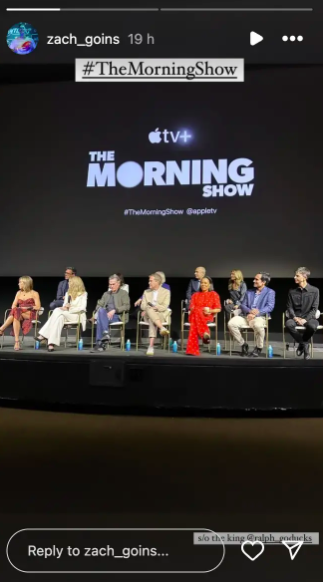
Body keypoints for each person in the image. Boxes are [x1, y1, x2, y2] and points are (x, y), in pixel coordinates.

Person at [228, 272, 275, 357]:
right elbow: (242, 305)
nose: (254, 281)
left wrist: (256, 313)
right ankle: (243, 344)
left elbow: (270, 306)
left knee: (258, 325)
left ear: (263, 282)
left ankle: (258, 347)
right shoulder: (249, 292)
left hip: (259, 316)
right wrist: (250, 311)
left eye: (256, 279)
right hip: (246, 316)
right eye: (254, 279)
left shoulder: (270, 292)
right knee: (231, 323)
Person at [37, 276, 87, 352]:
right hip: (66, 314)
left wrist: (70, 308)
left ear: (75, 284)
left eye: (70, 282)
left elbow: (82, 308)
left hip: (77, 315)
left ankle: (43, 335)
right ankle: (51, 344)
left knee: (57, 311)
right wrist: (65, 307)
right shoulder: (68, 293)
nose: (68, 284)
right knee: (59, 316)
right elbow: (65, 306)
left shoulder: (83, 294)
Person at [285, 267, 320, 360]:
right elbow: (289, 307)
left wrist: (305, 319)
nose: (294, 277)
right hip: (295, 317)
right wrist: (295, 317)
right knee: (289, 324)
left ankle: (302, 344)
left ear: (304, 277)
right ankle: (304, 345)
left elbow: (314, 308)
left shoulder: (314, 290)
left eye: (297, 276)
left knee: (312, 326)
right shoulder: (292, 291)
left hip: (309, 318)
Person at [0, 276, 41, 351]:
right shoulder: (18, 293)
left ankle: (1, 329)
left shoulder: (34, 293)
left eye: (20, 282)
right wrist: (18, 309)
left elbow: (38, 307)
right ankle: (16, 341)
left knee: (16, 312)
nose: (18, 284)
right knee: (16, 313)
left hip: (31, 314)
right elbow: (13, 305)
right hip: (19, 313)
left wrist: (25, 308)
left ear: (25, 283)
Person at [93, 274, 130, 352]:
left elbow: (127, 306)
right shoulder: (106, 294)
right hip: (105, 315)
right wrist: (98, 308)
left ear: (118, 283)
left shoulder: (123, 293)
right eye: (110, 284)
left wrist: (115, 310)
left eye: (113, 284)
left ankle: (99, 343)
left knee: (100, 320)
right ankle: (105, 334)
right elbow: (99, 305)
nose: (111, 286)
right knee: (101, 312)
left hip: (117, 316)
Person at [186, 276, 221, 356]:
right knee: (196, 311)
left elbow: (218, 309)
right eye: (202, 283)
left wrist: (210, 310)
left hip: (207, 316)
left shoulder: (214, 294)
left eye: (205, 283)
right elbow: (191, 308)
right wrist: (199, 309)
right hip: (194, 315)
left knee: (194, 322)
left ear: (209, 285)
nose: (203, 284)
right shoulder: (195, 295)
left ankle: (192, 350)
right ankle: (205, 332)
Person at [141, 273, 171, 356]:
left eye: (151, 281)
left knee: (152, 319)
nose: (149, 283)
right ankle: (161, 328)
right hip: (148, 314)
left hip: (160, 314)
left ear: (157, 282)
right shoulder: (146, 292)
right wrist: (149, 307)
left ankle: (150, 346)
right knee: (149, 310)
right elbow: (143, 305)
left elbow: (165, 305)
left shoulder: (166, 292)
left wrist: (156, 307)